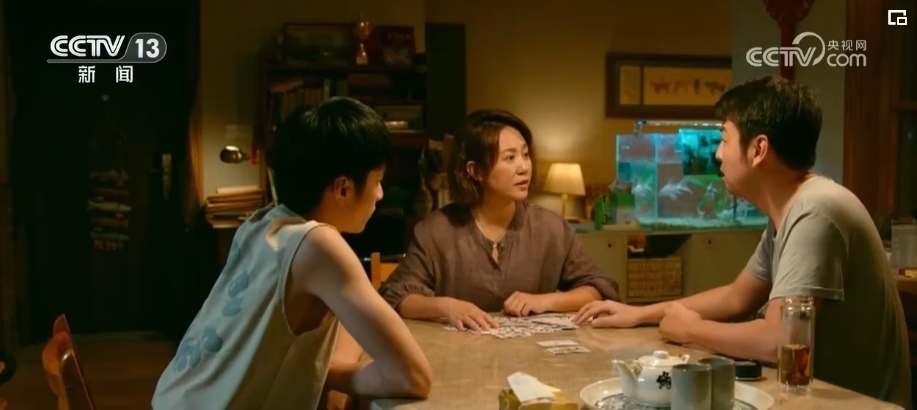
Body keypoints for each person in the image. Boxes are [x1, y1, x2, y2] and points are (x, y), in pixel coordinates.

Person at [573, 75, 911, 409]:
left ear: (758, 149)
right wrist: (637, 314)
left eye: (724, 139)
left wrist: (693, 330)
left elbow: (777, 341)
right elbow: (737, 297)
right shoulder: (791, 209)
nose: (718, 154)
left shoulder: (816, 211)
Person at [152, 98, 433, 409]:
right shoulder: (318, 244)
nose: (380, 194)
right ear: (342, 188)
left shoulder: (262, 223)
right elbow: (413, 376)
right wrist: (327, 375)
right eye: (377, 181)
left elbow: (350, 322)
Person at [379, 109, 619, 332]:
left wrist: (545, 301)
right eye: (510, 158)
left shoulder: (551, 228)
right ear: (475, 171)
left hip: (534, 356)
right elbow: (395, 296)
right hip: (459, 355)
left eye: (525, 155)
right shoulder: (437, 230)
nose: (524, 167)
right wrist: (446, 306)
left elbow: (598, 288)